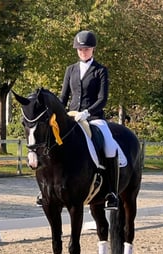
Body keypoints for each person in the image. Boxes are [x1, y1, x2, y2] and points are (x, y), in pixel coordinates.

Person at [59, 30, 119, 210]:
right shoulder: (70, 69)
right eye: (79, 49)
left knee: (110, 146)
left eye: (85, 49)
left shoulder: (100, 70)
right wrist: (58, 114)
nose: (82, 52)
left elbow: (103, 99)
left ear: (92, 49)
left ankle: (111, 193)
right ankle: (47, 188)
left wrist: (86, 112)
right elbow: (63, 97)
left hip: (93, 118)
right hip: (71, 118)